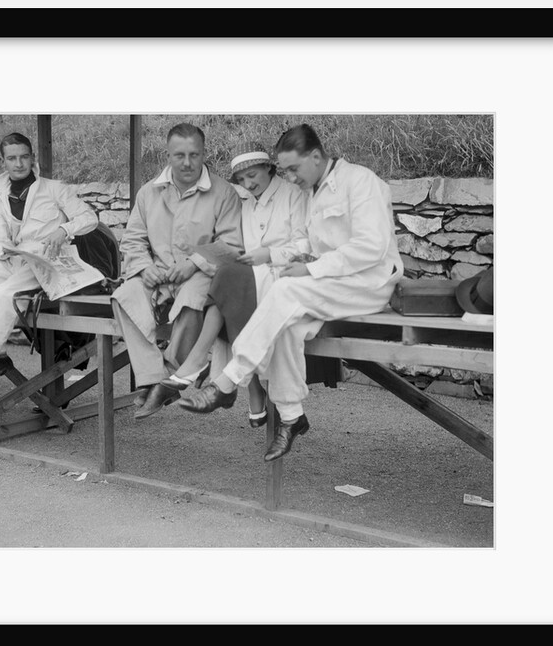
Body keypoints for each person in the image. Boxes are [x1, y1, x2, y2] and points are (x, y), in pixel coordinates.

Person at [179, 124, 404, 462]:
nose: (291, 178)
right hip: (332, 284)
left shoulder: (361, 182)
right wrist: (273, 256)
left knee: (284, 290)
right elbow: (308, 244)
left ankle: (226, 382)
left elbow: (371, 248)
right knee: (286, 324)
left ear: (316, 156)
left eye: (293, 169)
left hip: (368, 283)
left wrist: (311, 269)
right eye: (285, 170)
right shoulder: (313, 191)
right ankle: (291, 416)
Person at [141, 140, 309, 424]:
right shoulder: (245, 204)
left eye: (252, 175)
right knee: (224, 282)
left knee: (225, 286)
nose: (248, 183)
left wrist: (269, 255)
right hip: (251, 279)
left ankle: (197, 368)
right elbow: (239, 246)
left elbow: (306, 245)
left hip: (286, 277)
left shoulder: (293, 195)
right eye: (242, 179)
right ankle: (238, 385)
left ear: (269, 168)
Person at [111, 123, 243, 418]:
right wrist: (144, 268)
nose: (187, 163)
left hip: (200, 274)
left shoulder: (223, 193)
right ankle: (151, 377)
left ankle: (172, 375)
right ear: (167, 155)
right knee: (125, 295)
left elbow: (233, 245)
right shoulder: (149, 193)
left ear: (204, 153)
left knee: (193, 300)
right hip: (157, 273)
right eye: (179, 155)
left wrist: (194, 263)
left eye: (194, 155)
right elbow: (133, 239)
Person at [0, 132, 98, 398]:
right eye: (12, 158)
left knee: (4, 295)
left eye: (23, 157)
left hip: (46, 262)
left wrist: (64, 230)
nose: (18, 163)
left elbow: (89, 217)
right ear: (4, 162)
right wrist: (1, 248)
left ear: (32, 157)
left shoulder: (54, 188)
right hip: (13, 260)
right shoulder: (1, 196)